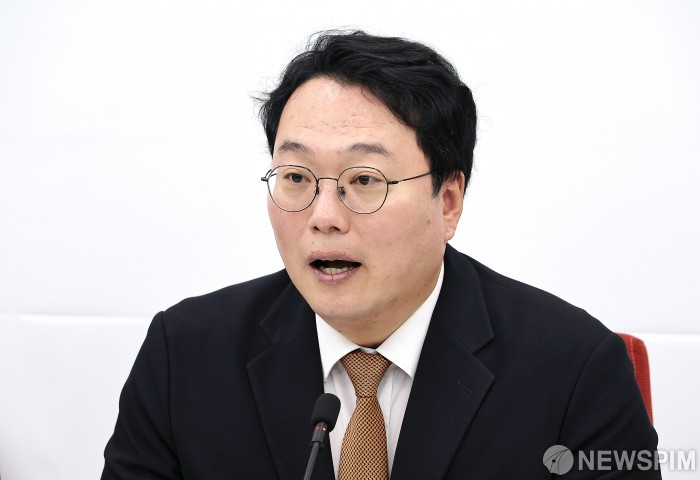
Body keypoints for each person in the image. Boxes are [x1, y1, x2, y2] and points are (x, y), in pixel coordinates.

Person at [102, 31, 660, 479]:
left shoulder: (575, 371)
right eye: (296, 177)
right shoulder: (184, 357)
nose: (324, 215)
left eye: (364, 180)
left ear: (448, 201)